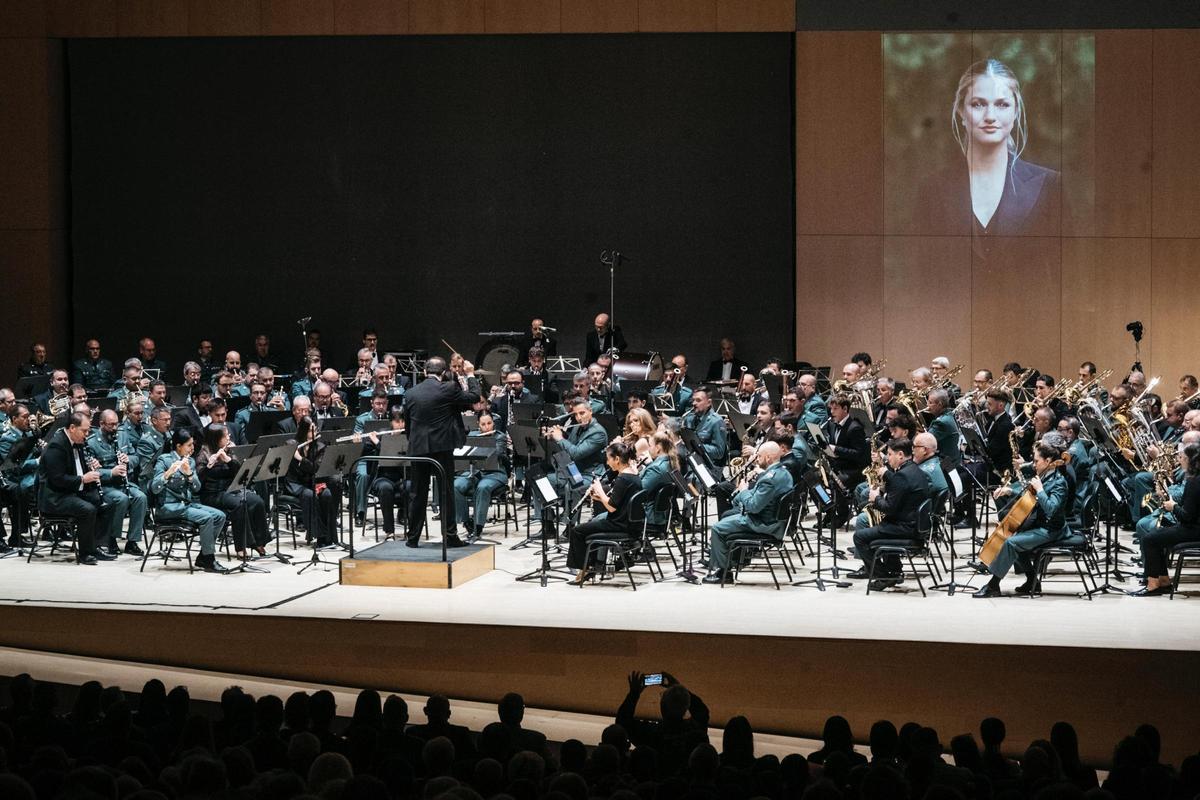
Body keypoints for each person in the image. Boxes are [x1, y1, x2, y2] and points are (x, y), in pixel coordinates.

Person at [914, 58, 1060, 238]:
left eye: (1002, 105)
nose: (990, 116)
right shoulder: (933, 190)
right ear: (961, 112)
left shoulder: (1050, 186)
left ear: (1015, 112)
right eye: (978, 104)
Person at [402, 356, 482, 548]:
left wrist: (415, 442)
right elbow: (474, 397)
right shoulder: (449, 388)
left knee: (417, 494)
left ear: (424, 372)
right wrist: (470, 374)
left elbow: (408, 425)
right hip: (442, 447)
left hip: (418, 447)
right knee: (446, 493)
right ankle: (450, 536)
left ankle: (413, 538)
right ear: (444, 372)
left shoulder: (411, 393)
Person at [974, 440, 1070, 598]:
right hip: (1040, 524)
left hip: (1051, 529)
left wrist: (1040, 490)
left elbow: (1052, 510)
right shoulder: (1044, 475)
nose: (1033, 465)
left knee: (1011, 543)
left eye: (1036, 461)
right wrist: (1009, 490)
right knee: (1015, 537)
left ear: (1047, 461)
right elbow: (1027, 491)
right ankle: (1032, 581)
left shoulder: (1059, 482)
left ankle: (993, 585)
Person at [703, 441, 794, 583]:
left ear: (768, 458)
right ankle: (730, 562)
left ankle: (723, 573)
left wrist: (743, 491)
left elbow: (753, 506)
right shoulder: (785, 473)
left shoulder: (769, 479)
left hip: (763, 524)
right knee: (727, 517)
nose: (756, 459)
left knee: (717, 528)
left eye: (759, 456)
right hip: (774, 521)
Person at [849, 437, 933, 590]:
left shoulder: (902, 476)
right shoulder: (914, 470)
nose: (887, 458)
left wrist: (876, 498)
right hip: (915, 525)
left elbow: (888, 508)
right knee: (883, 524)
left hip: (905, 528)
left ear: (900, 455)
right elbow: (901, 489)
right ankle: (894, 569)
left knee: (859, 537)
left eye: (889, 454)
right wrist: (887, 476)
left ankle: (884, 576)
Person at [37, 412, 117, 565]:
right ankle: (85, 553)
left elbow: (78, 469)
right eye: (84, 431)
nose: (87, 435)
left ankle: (98, 546)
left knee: (107, 504)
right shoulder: (56, 446)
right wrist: (83, 479)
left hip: (71, 491)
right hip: (55, 497)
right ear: (72, 428)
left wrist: (91, 467)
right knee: (87, 509)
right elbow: (57, 479)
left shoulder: (78, 442)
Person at [152, 429, 228, 573]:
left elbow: (197, 488)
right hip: (168, 508)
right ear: (178, 446)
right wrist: (168, 473)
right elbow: (155, 488)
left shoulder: (190, 461)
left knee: (220, 516)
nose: (192, 448)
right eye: (189, 445)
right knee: (206, 518)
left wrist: (190, 474)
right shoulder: (164, 460)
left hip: (186, 505)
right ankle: (209, 559)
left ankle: (203, 556)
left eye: (193, 444)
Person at [565, 441, 641, 583]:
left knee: (577, 531)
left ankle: (585, 570)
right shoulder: (633, 475)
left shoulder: (623, 479)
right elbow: (619, 502)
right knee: (589, 527)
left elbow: (612, 507)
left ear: (617, 459)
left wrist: (600, 490)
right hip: (629, 522)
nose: (607, 462)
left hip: (619, 524)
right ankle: (591, 566)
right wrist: (598, 497)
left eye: (608, 459)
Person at [197, 422, 272, 559]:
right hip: (213, 494)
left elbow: (240, 472)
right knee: (240, 504)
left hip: (231, 490)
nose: (229, 437)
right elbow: (199, 480)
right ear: (216, 439)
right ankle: (242, 547)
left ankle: (260, 543)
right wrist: (209, 466)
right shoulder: (204, 454)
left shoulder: (229, 450)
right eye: (225, 436)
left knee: (257, 501)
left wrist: (229, 460)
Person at [1134, 442, 1200, 596]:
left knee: (1150, 539)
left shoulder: (1194, 482)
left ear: (1190, 460)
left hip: (1194, 530)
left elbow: (1187, 517)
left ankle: (1153, 585)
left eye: (1182, 457)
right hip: (1195, 527)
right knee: (1156, 536)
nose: (1179, 461)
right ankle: (1163, 581)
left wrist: (1173, 507)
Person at [616, 671, 709, 778]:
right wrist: (679, 689)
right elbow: (702, 711)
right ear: (686, 706)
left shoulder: (651, 733)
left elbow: (623, 723)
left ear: (662, 708)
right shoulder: (695, 733)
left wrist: (634, 694)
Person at [86, 409, 146, 556]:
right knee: (121, 499)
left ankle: (132, 541)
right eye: (111, 425)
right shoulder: (92, 442)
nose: (114, 428)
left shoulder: (123, 436)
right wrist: (111, 472)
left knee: (141, 497)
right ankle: (111, 539)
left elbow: (136, 457)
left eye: (116, 424)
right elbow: (90, 470)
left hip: (123, 482)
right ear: (101, 424)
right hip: (105, 485)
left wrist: (128, 460)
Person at [286, 417, 342, 549]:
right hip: (297, 484)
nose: (315, 432)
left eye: (315, 429)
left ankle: (330, 537)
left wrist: (300, 459)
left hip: (314, 482)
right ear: (304, 431)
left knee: (327, 495)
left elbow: (316, 468)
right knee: (310, 496)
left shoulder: (320, 447)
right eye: (312, 430)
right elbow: (291, 470)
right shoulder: (291, 445)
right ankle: (319, 536)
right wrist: (296, 456)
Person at [453, 413, 509, 540]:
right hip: (475, 472)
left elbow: (498, 453)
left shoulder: (500, 436)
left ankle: (478, 526)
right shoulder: (472, 435)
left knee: (483, 487)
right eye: (483, 424)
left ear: (493, 423)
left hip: (495, 473)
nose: (487, 427)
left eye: (489, 423)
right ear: (478, 424)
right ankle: (466, 522)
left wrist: (485, 442)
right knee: (456, 486)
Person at [682, 389, 727, 469]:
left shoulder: (716, 421)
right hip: (691, 463)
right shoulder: (689, 419)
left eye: (698, 400)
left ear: (709, 403)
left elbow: (719, 452)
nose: (694, 403)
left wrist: (697, 447)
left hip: (709, 467)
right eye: (693, 400)